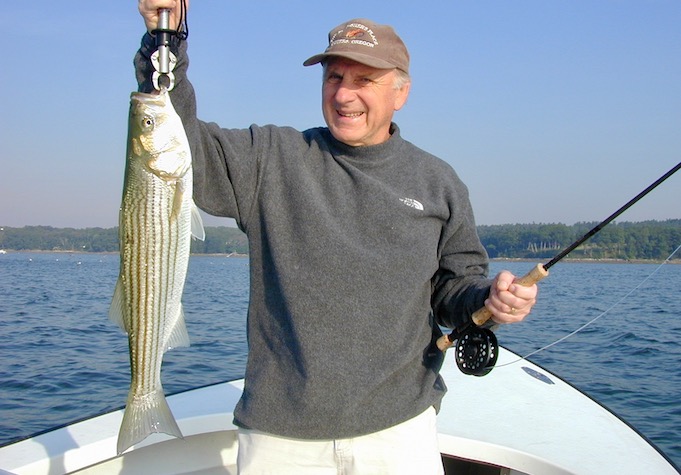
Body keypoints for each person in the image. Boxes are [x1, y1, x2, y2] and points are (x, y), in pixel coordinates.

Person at [137, 3, 538, 474]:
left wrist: (490, 299)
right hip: (278, 436)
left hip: (399, 430)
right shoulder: (271, 157)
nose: (344, 95)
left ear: (401, 92)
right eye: (334, 78)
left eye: (363, 80)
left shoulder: (438, 182)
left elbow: (455, 291)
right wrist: (166, 38)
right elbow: (173, 137)